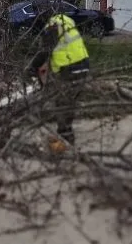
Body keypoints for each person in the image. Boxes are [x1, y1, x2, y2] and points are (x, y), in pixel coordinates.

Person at [28, 11, 90, 152]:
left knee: (61, 104)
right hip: (83, 64)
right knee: (69, 103)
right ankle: (65, 134)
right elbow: (61, 48)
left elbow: (46, 50)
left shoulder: (52, 26)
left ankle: (65, 142)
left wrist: (33, 66)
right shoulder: (66, 19)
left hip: (69, 68)